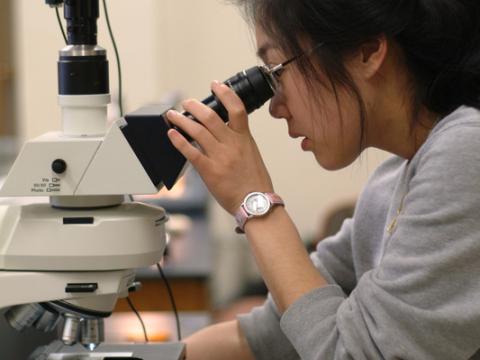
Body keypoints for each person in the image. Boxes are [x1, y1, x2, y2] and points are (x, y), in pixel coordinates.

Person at [165, 0, 480, 359]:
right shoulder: (392, 180)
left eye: (277, 71)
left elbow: (351, 354)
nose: (274, 105)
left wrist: (254, 200)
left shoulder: (468, 151)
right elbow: (273, 332)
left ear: (368, 51)